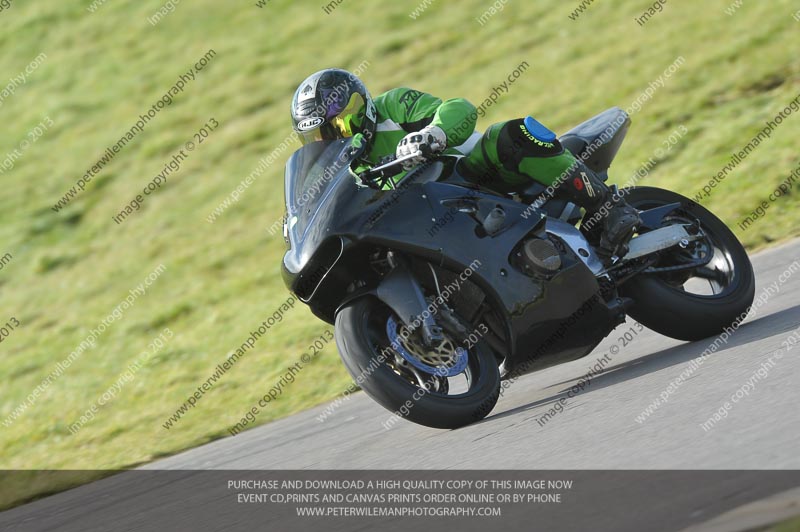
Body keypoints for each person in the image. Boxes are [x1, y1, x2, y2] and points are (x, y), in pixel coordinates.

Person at [290, 68, 640, 261]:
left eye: (339, 123)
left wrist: (433, 134)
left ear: (360, 103)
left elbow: (459, 109)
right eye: (323, 136)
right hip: (430, 220)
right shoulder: (350, 173)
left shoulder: (392, 107)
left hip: (476, 176)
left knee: (510, 135)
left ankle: (610, 207)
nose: (337, 137)